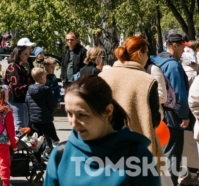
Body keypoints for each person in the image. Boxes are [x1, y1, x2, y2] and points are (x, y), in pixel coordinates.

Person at [44, 75, 160, 186]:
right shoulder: (60, 155)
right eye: (69, 114)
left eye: (82, 115)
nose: (73, 123)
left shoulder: (137, 156)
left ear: (108, 111)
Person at [99, 35, 163, 162]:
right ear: (140, 54)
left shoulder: (102, 77)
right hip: (139, 149)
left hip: (105, 147)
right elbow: (155, 119)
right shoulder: (148, 81)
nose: (147, 57)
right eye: (147, 53)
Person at [151, 33, 191, 185]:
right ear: (174, 45)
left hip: (157, 116)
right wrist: (184, 115)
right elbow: (179, 94)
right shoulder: (173, 65)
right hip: (173, 119)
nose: (183, 50)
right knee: (172, 158)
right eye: (182, 46)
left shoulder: (155, 61)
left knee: (160, 157)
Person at [26, 67, 58, 147]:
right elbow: (52, 104)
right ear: (42, 77)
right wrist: (51, 111)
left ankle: (37, 156)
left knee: (35, 140)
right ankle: (51, 153)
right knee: (53, 138)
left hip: (34, 119)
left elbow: (27, 102)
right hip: (46, 118)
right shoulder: (46, 90)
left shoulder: (29, 90)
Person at [5, 45, 33, 131]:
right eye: (25, 54)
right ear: (19, 54)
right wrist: (31, 88)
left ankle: (21, 144)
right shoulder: (13, 67)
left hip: (22, 100)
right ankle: (17, 144)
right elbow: (17, 86)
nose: (27, 56)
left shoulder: (21, 67)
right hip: (16, 101)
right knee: (20, 127)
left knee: (23, 126)